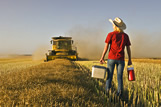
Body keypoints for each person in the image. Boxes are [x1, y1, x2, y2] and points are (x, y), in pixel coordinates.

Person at [100, 17, 132, 97]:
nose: (112, 26)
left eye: (113, 25)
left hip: (111, 58)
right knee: (119, 77)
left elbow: (106, 47)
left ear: (115, 26)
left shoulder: (111, 34)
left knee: (109, 76)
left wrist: (102, 57)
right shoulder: (125, 36)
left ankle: (107, 93)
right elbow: (128, 49)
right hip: (121, 59)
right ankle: (120, 94)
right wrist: (130, 59)